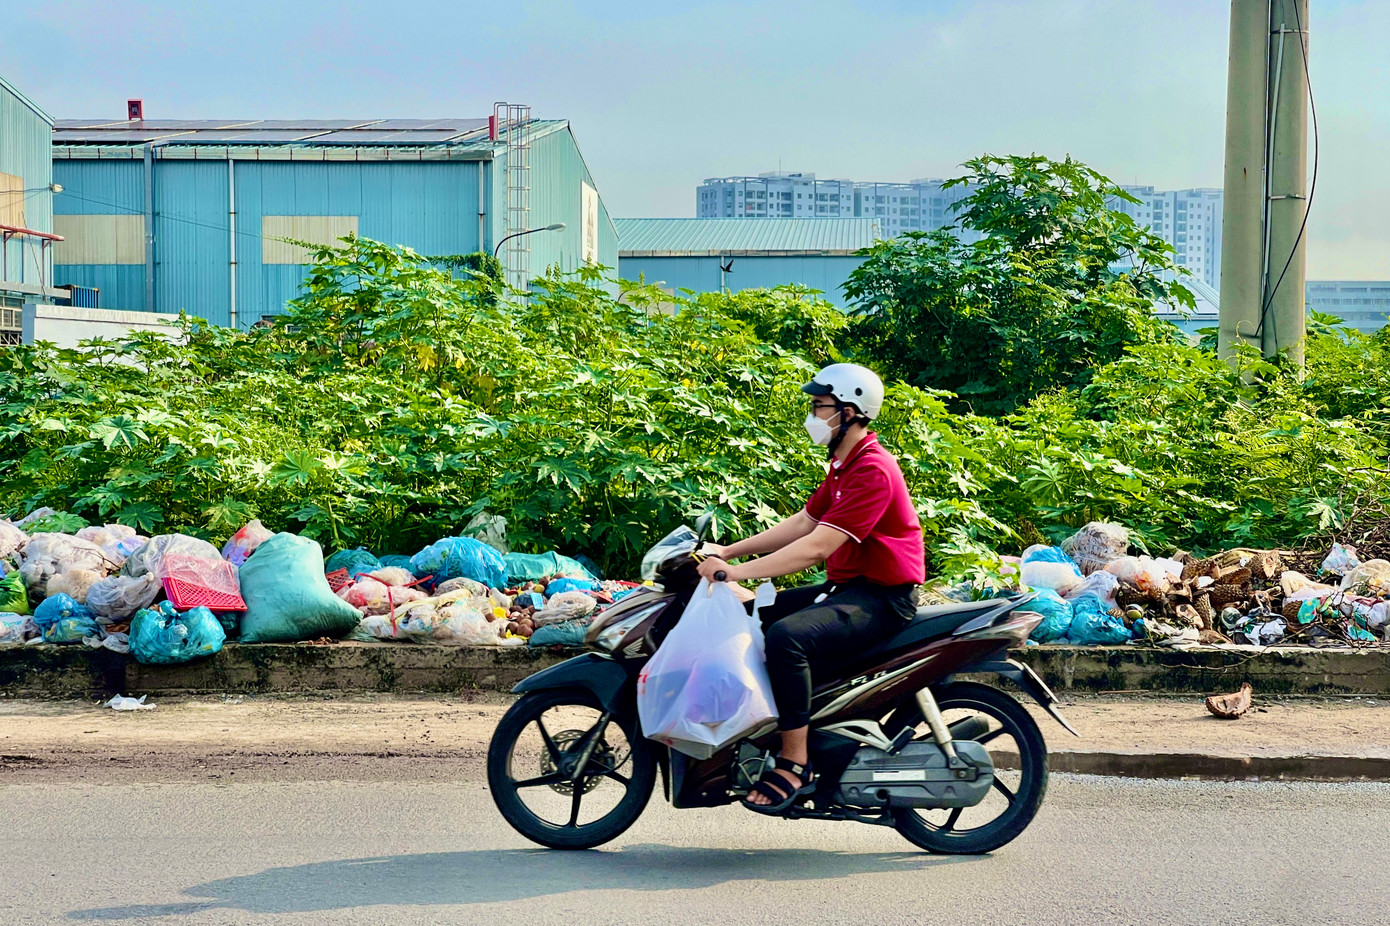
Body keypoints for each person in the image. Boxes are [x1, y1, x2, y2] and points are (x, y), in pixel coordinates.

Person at [696, 363, 926, 814]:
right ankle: (794, 726)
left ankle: (795, 761)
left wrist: (737, 573)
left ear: (851, 412)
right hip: (850, 588)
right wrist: (729, 550)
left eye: (820, 406)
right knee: (756, 618)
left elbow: (816, 547)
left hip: (882, 598)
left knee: (786, 639)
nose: (813, 415)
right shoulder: (845, 465)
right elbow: (803, 522)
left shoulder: (872, 469)